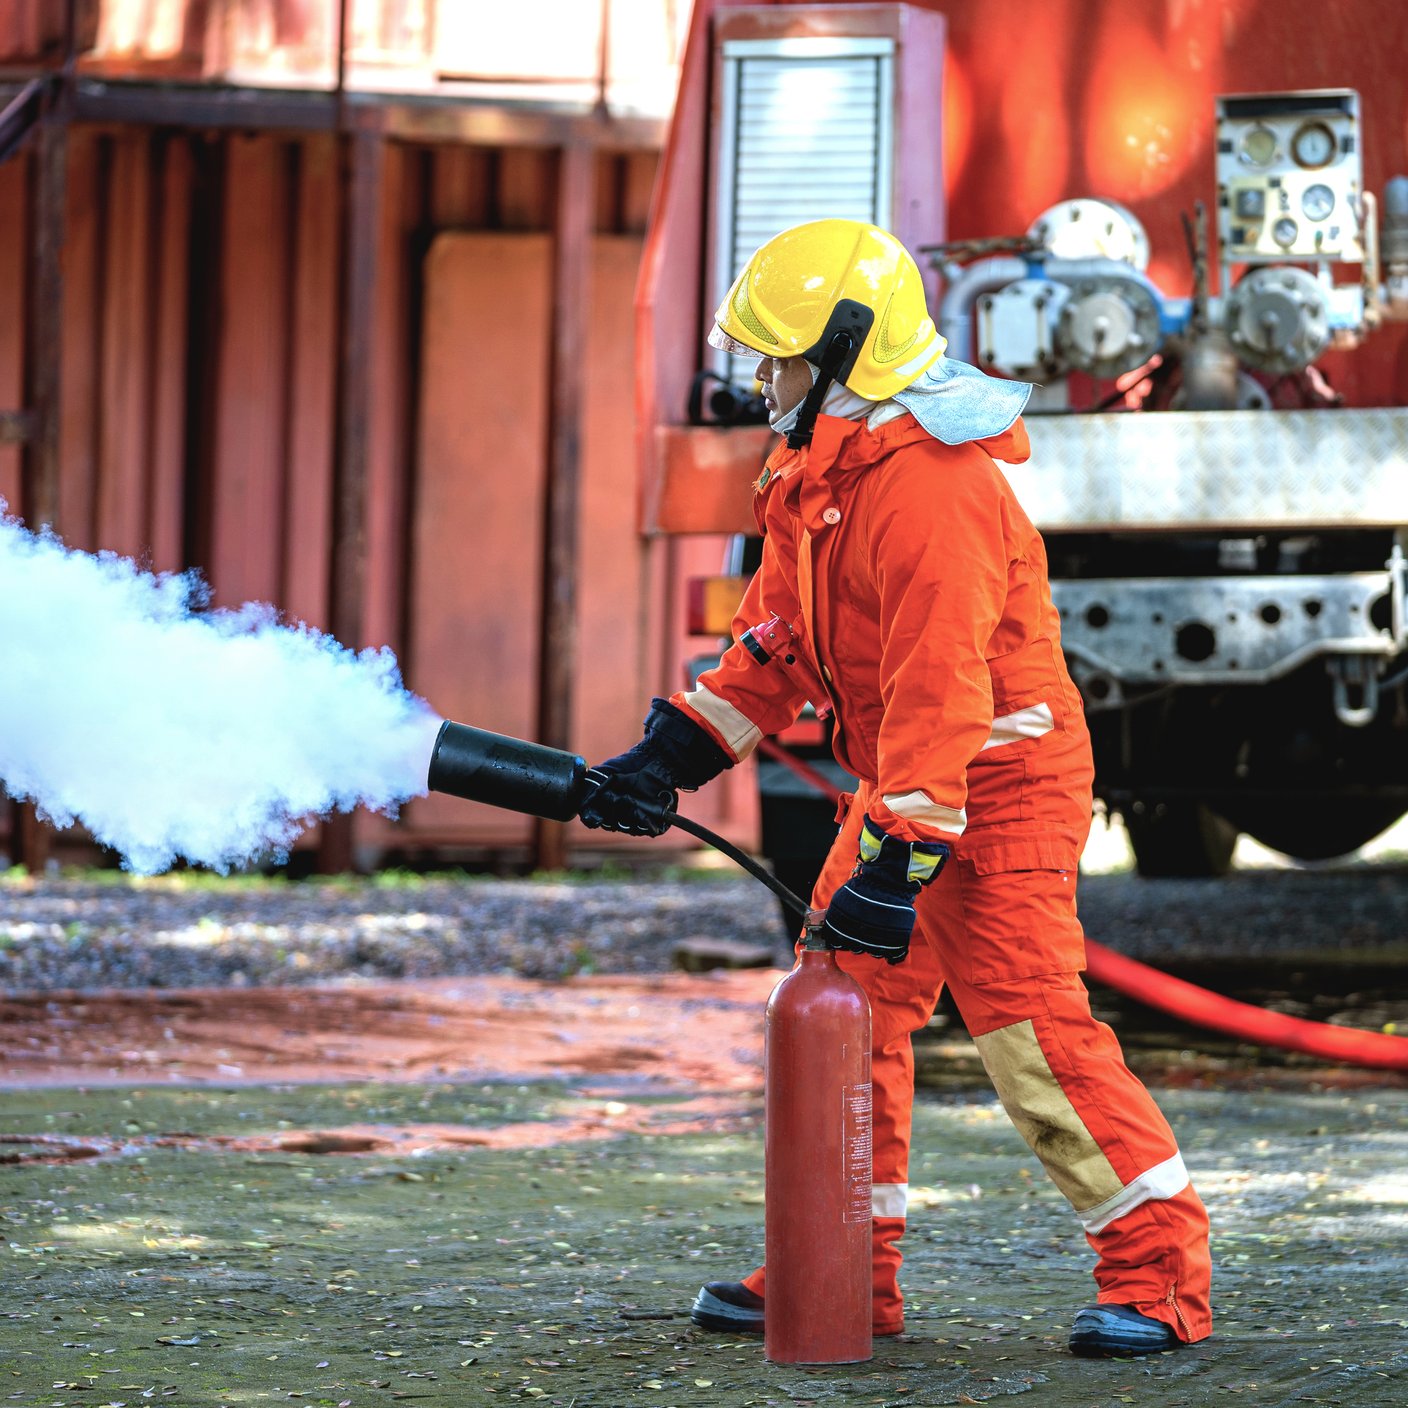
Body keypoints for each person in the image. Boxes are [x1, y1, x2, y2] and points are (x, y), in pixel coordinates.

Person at [578, 219, 1212, 1358]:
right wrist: (671, 754)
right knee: (839, 1009)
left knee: (1027, 1032)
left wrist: (898, 854)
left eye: (773, 357)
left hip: (999, 783)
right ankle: (837, 1272)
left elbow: (940, 691)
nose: (758, 378)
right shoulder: (817, 467)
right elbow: (775, 640)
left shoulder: (929, 490)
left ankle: (1160, 1277)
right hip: (914, 784)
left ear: (842, 353)